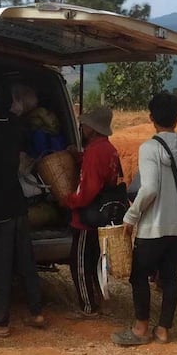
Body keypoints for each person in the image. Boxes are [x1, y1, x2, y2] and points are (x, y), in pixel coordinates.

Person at [112, 92, 177, 346]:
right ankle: (163, 330)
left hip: (152, 227)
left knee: (139, 276)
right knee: (169, 278)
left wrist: (131, 217)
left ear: (150, 117)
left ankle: (140, 328)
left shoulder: (149, 148)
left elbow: (149, 189)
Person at [0, 83, 45, 337]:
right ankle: (36, 313)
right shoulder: (16, 128)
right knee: (26, 262)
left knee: (0, 266)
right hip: (17, 203)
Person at [62, 106, 120, 319]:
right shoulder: (107, 148)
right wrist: (79, 157)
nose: (82, 127)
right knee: (94, 260)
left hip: (86, 216)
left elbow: (88, 188)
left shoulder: (95, 152)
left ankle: (88, 307)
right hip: (102, 214)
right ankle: (97, 300)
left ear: (93, 129)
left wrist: (70, 201)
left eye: (85, 124)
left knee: (79, 262)